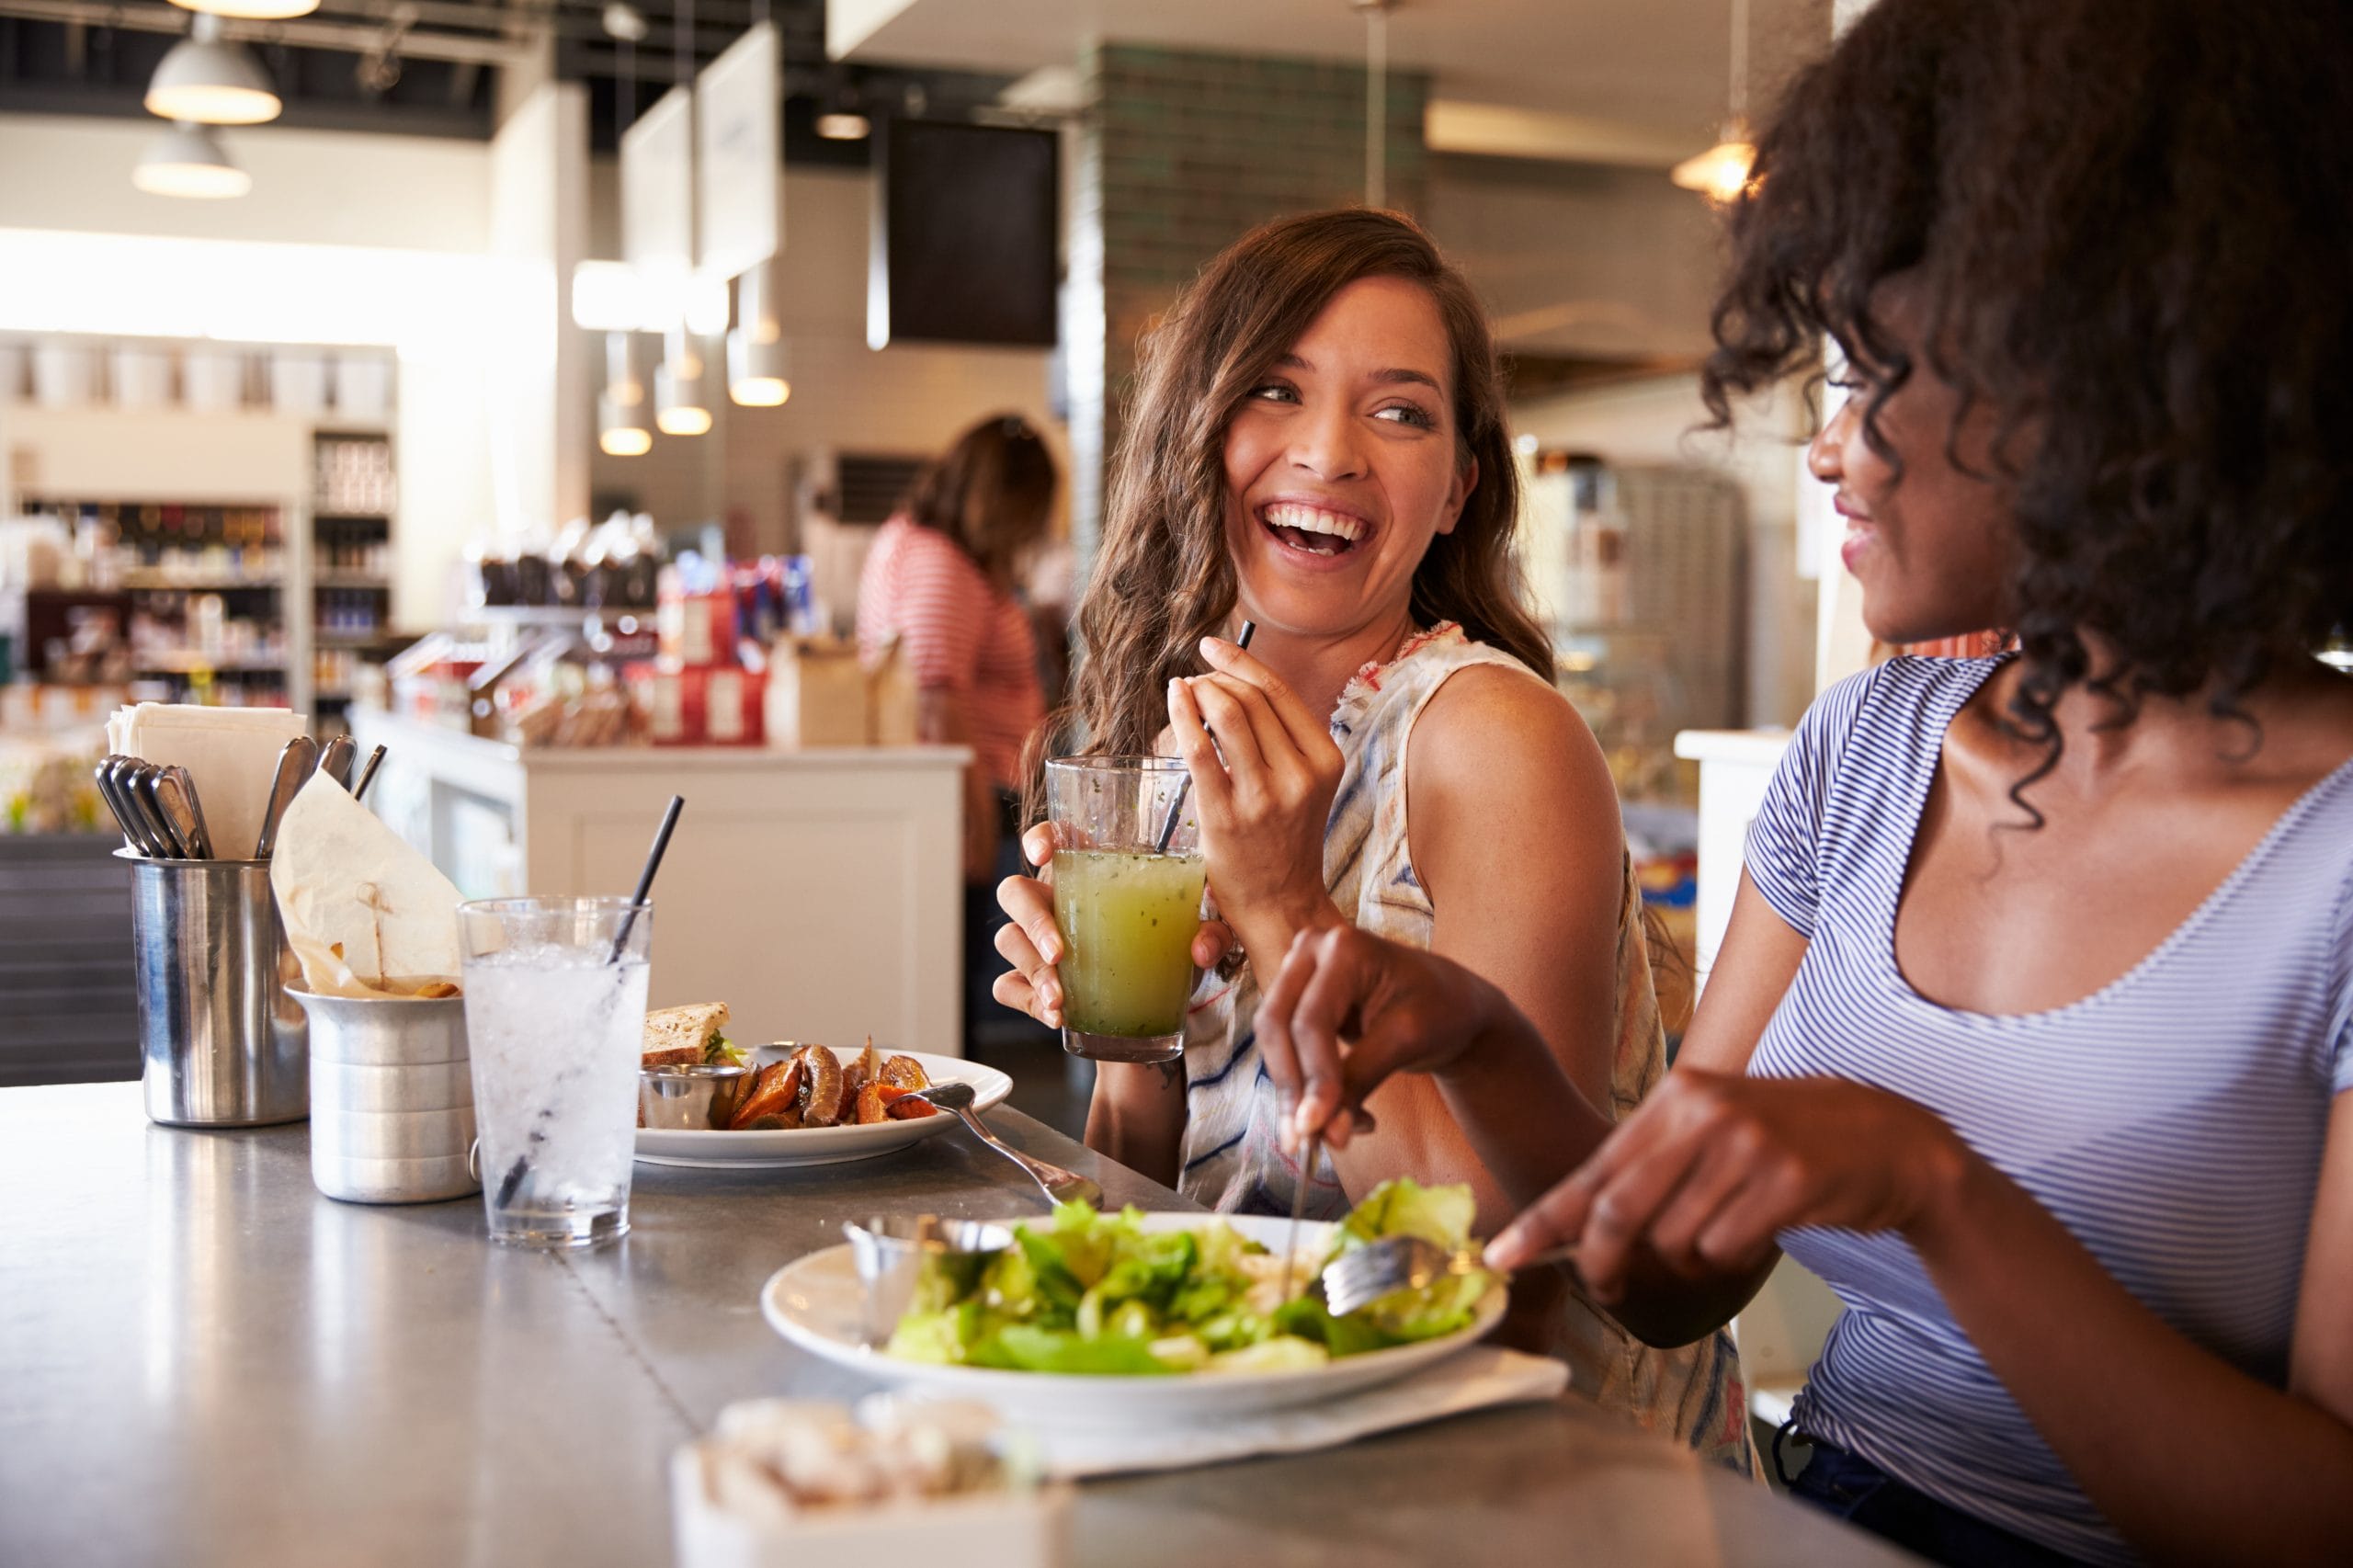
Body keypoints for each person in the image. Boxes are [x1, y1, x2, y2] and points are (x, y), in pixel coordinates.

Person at [1250, 2, 2353, 1563]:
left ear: (2101, 372)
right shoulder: (1870, 748)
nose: (1823, 452)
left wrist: (1932, 1188)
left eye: (1868, 373)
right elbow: (1662, 1274)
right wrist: (1483, 1036)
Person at [989, 209, 1751, 1466]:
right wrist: (1127, 1032)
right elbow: (1166, 1200)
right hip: (1271, 1437)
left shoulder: (1490, 736)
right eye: (1275, 391)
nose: (1330, 452)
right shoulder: (1176, 748)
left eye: (1398, 411)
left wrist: (1291, 912)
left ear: (1456, 489)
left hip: (1536, 1475)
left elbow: (1502, 1260)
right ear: (1199, 433)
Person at [856, 414, 1057, 1042]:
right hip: (970, 804)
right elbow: (941, 698)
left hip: (971, 799)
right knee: (958, 990)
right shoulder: (941, 563)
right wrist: (969, 826)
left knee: (959, 982)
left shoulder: (918, 544)